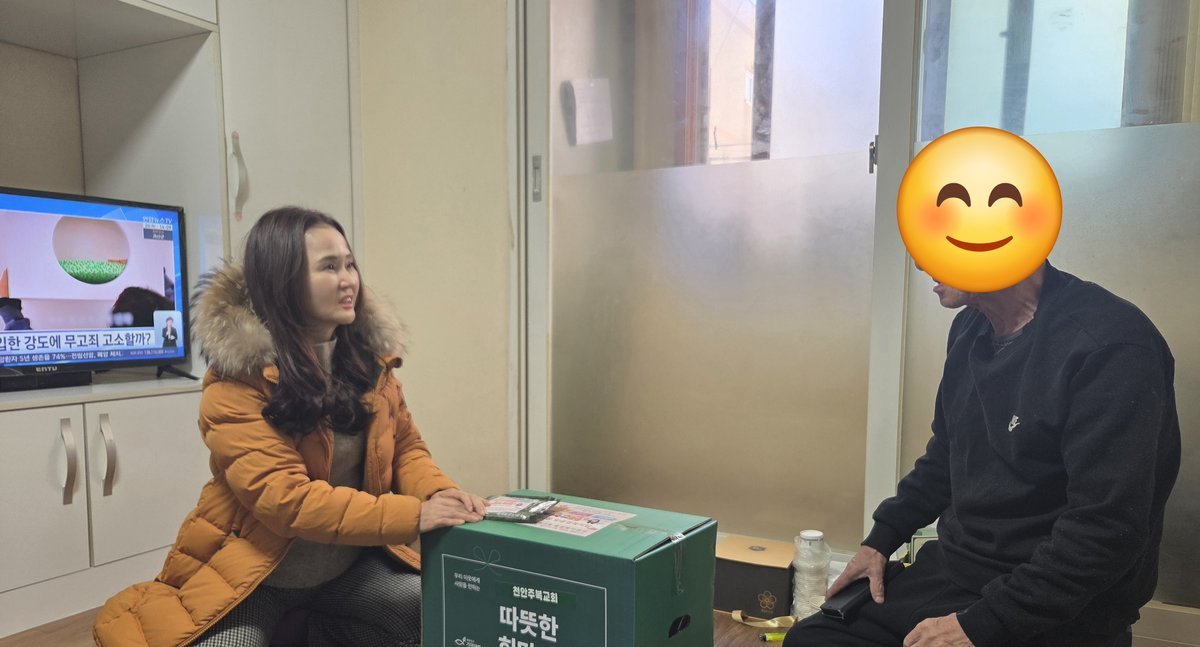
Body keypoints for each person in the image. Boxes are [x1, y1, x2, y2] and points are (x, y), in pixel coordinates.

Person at [93, 207, 488, 647]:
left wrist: (438, 495)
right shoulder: (237, 380)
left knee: (440, 616)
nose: (348, 280)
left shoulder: (371, 365)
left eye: (350, 264)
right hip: (257, 575)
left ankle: (311, 631)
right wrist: (414, 516)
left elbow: (407, 448)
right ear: (283, 281)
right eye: (329, 267)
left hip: (347, 571)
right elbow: (287, 500)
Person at [784, 262, 1180, 647]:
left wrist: (983, 624)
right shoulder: (970, 327)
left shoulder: (1111, 344)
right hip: (958, 570)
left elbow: (1106, 529)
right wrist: (880, 540)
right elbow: (947, 455)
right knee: (810, 639)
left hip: (1059, 600)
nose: (921, 262)